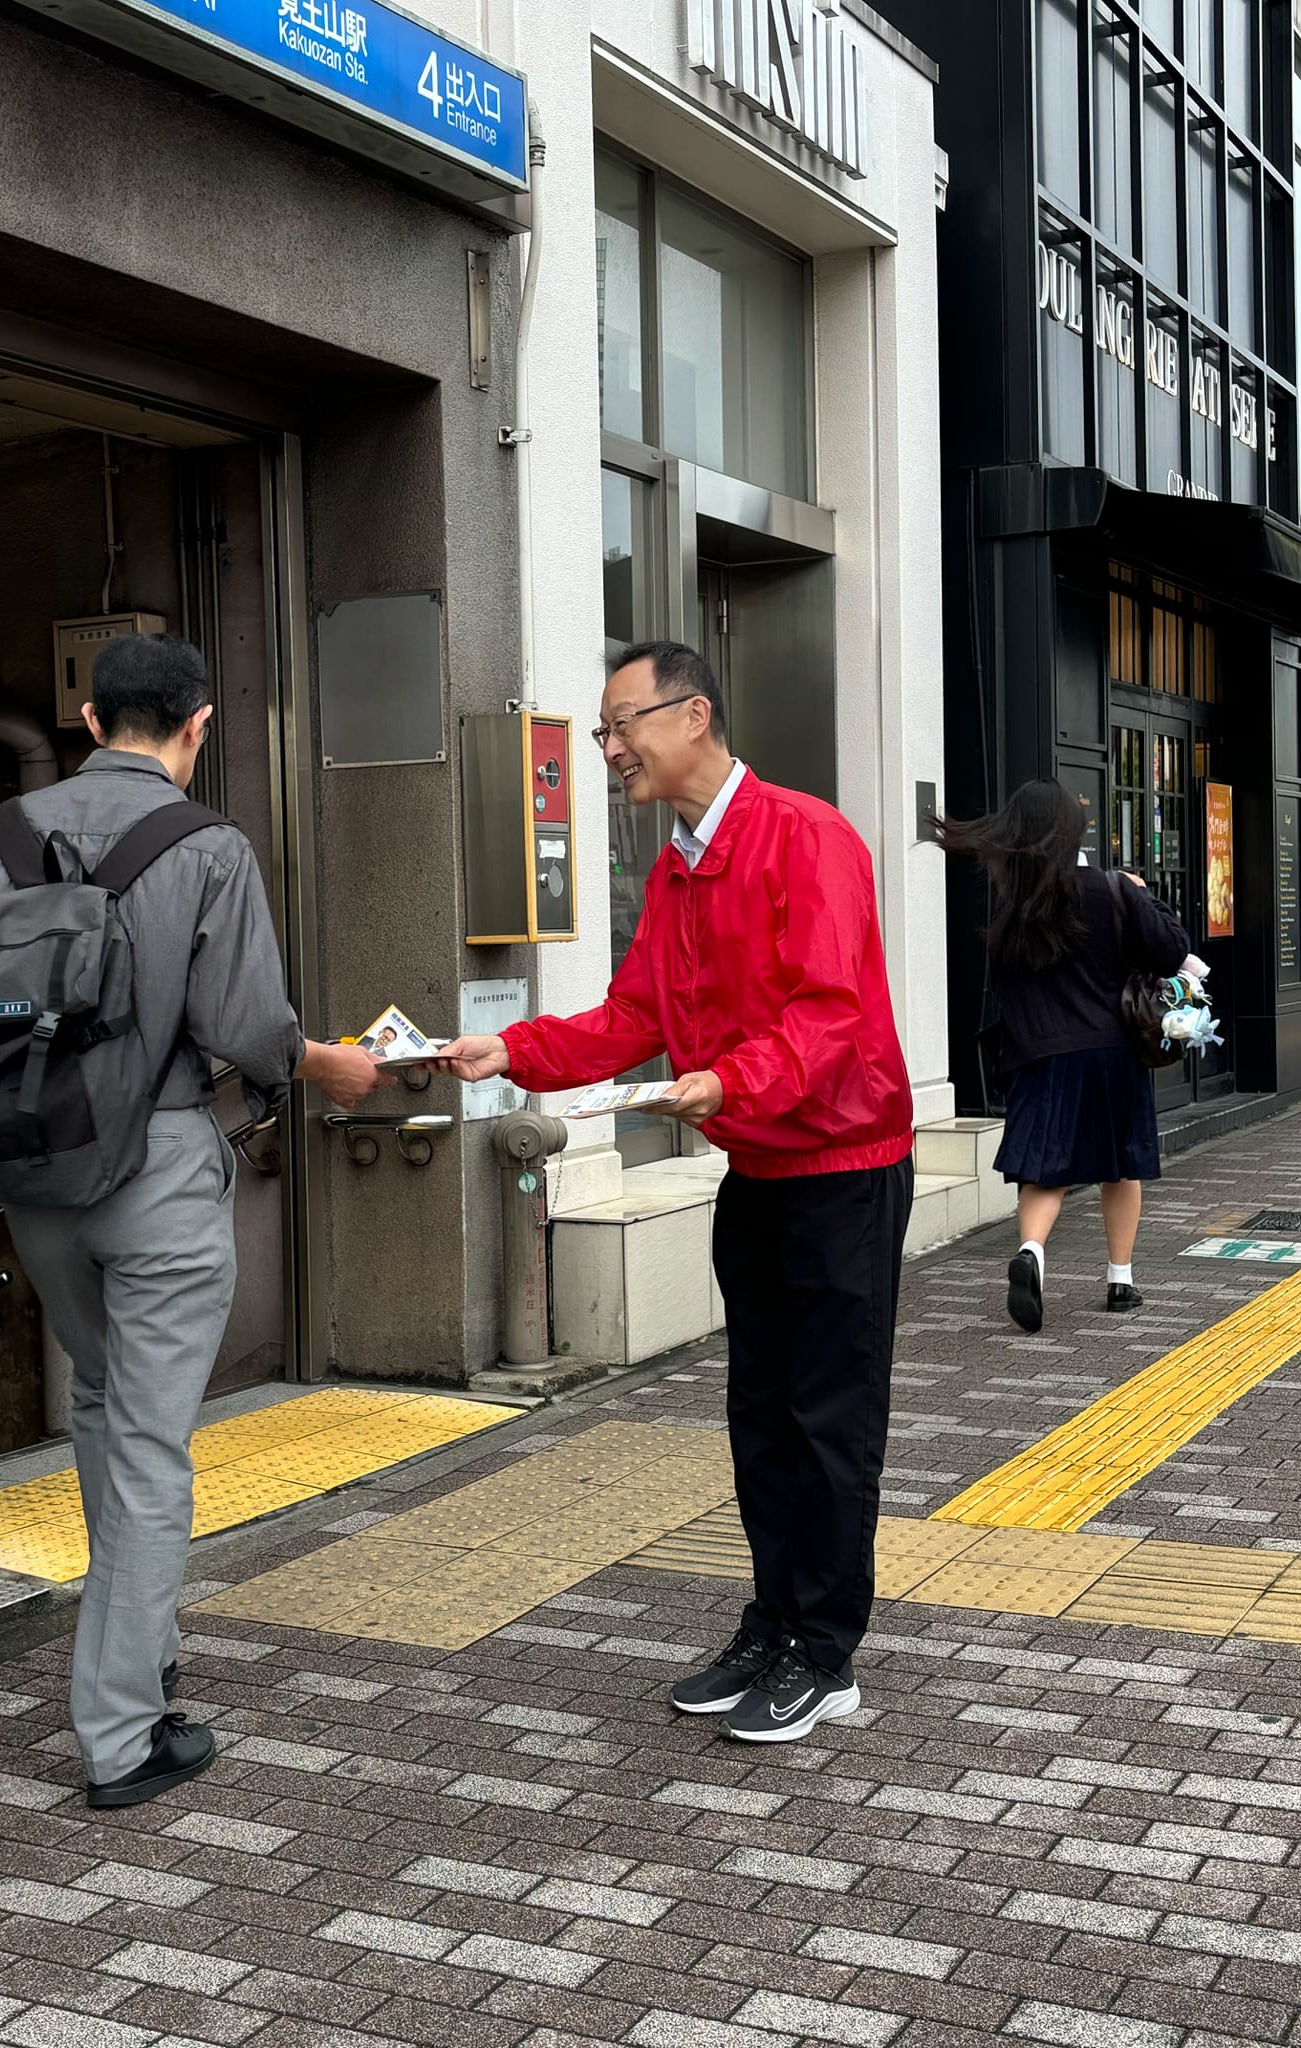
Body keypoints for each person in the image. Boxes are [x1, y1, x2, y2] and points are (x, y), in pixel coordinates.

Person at [0, 634, 389, 1808]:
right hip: (161, 1171)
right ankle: (123, 1732)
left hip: (34, 1186)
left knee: (99, 1403)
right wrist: (320, 1065)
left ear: (89, 720)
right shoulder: (210, 846)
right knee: (147, 1446)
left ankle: (137, 1651)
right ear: (197, 726)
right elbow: (246, 1026)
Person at [438, 641, 914, 1744]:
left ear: (694, 714)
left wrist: (724, 1078)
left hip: (843, 1173)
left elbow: (831, 1015)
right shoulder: (678, 868)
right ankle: (773, 1616)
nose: (609, 751)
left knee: (829, 1420)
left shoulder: (808, 834)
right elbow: (629, 1018)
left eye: (621, 727)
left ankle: (826, 1650)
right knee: (760, 1416)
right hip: (757, 1169)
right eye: (603, 733)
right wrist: (503, 1047)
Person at [938, 778, 1189, 1329]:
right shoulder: (1111, 889)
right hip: (1112, 1054)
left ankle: (1032, 1253)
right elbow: (1173, 952)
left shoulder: (1012, 906)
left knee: (1045, 1174)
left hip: (1040, 1055)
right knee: (1120, 1168)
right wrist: (1143, 892)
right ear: (1069, 829)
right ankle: (1120, 1280)